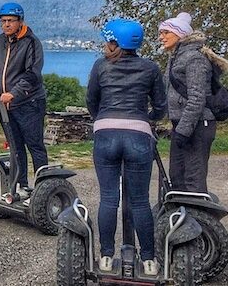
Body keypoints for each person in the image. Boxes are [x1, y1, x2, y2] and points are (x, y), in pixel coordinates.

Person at [88, 19, 167, 276]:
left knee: (109, 199)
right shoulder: (151, 68)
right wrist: (148, 119)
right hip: (138, 135)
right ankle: (148, 261)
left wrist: (102, 119)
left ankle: (106, 257)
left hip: (106, 133)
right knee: (141, 201)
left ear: (114, 42)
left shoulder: (100, 66)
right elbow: (160, 106)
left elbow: (92, 101)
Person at [0, 2, 47, 199]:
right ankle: (22, 186)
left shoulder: (31, 42)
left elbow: (33, 73)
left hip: (29, 103)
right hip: (6, 105)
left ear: (20, 21)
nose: (6, 25)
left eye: (10, 21)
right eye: (3, 21)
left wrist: (14, 92)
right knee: (15, 147)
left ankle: (44, 189)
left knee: (35, 145)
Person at [158, 12, 228, 193]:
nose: (162, 37)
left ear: (180, 34)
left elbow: (197, 99)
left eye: (166, 32)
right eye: (161, 32)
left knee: (193, 180)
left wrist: (183, 131)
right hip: (183, 126)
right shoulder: (176, 56)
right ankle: (181, 218)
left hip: (198, 126)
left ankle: (198, 219)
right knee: (177, 177)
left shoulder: (194, 59)